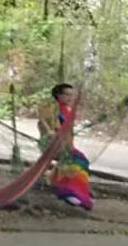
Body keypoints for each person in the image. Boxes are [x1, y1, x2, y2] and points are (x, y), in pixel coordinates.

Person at [38, 83, 93, 212]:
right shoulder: (52, 108)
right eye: (66, 94)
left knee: (82, 162)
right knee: (76, 160)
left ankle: (78, 191)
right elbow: (42, 121)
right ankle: (68, 192)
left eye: (71, 95)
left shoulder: (68, 110)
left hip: (65, 145)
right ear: (58, 95)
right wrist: (49, 132)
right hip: (51, 144)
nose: (70, 97)